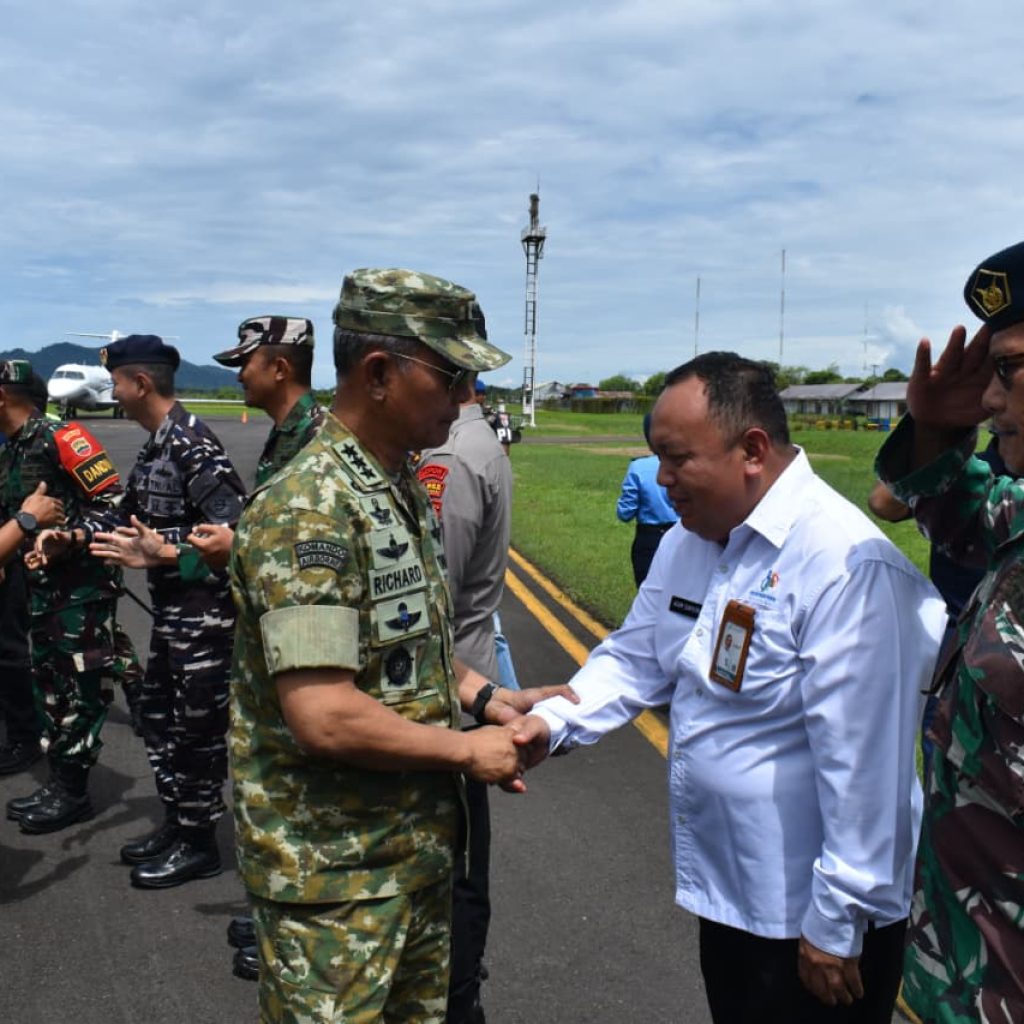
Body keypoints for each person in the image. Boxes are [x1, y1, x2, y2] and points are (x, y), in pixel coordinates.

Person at [515, 352, 947, 1024]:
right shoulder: (689, 541)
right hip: (730, 895)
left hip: (813, 921)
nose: (661, 478)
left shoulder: (844, 565)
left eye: (676, 458)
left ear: (751, 450)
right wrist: (551, 723)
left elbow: (866, 767)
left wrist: (836, 922)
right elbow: (635, 656)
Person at [228, 268, 576, 1023]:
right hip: (335, 879)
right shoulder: (310, 509)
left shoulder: (397, 485)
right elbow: (323, 714)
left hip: (412, 858)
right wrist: (465, 752)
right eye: (451, 376)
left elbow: (406, 647)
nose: (465, 396)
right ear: (380, 373)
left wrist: (490, 698)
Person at [875, 239, 1024, 1023]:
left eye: (1010, 370)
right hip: (963, 973)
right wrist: (931, 429)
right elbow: (956, 510)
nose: (991, 399)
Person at [38, 335, 248, 887]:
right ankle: (178, 823)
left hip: (206, 619)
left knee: (196, 733)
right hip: (173, 616)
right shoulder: (158, 444)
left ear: (141, 383)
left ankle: (198, 841)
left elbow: (235, 532)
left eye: (117, 384)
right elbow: (124, 516)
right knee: (158, 719)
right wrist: (72, 537)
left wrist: (163, 549)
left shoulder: (191, 444)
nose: (114, 394)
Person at [417, 346, 514, 1024]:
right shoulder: (466, 446)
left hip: (449, 684)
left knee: (454, 871)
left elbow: (432, 597)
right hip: (459, 676)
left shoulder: (449, 458)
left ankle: (457, 999)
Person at [0, 359, 126, 834]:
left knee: (80, 691)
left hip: (80, 589)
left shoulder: (63, 436)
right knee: (51, 686)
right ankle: (60, 781)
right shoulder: (12, 447)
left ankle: (73, 792)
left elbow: (114, 503)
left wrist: (70, 537)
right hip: (41, 588)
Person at [616, 411, 678, 586]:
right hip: (681, 535)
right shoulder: (685, 465)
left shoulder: (638, 467)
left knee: (647, 590)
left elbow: (624, 513)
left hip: (649, 538)